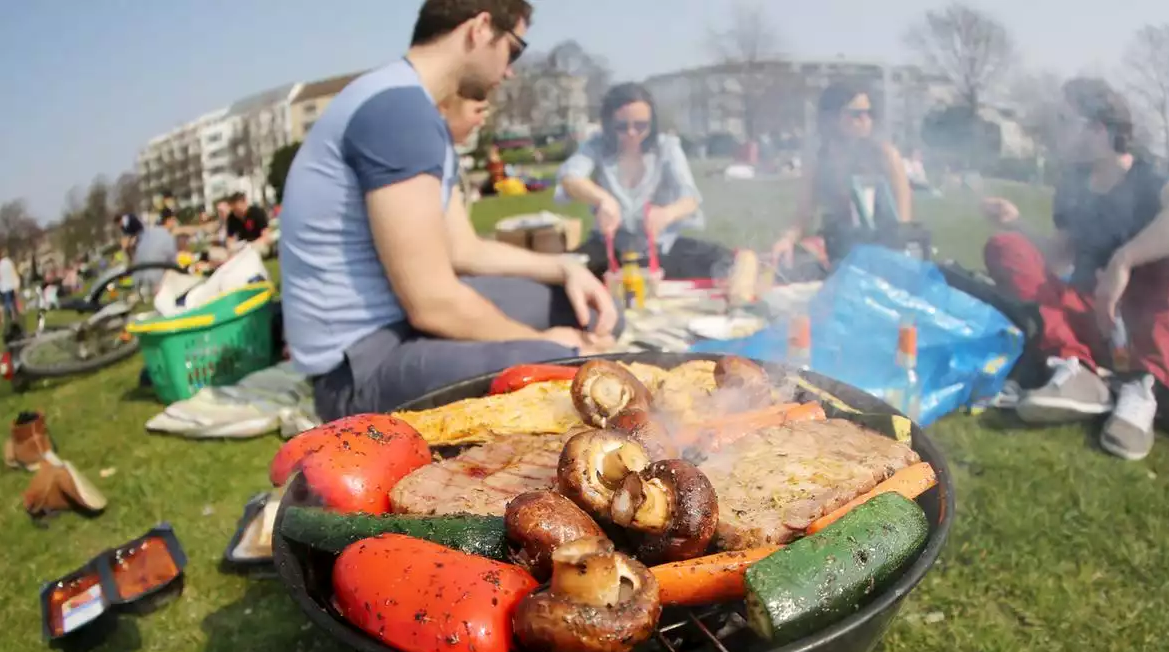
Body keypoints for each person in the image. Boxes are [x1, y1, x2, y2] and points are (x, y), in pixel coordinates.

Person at [280, 0, 621, 423]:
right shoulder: (397, 112)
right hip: (357, 371)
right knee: (578, 364)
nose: (511, 68)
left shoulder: (416, 109)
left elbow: (464, 250)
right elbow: (433, 302)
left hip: (403, 328)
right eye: (514, 48)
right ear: (480, 28)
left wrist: (565, 268)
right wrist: (544, 343)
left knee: (591, 312)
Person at [981, 77, 1169, 461]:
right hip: (1089, 318)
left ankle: (1142, 389)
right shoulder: (1073, 184)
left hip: (1139, 331)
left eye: (1065, 119)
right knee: (1005, 248)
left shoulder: (1146, 179)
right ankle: (1078, 370)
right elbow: (1055, 259)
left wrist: (1124, 261)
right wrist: (1015, 223)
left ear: (1097, 129)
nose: (1057, 129)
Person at [557, 82, 732, 280]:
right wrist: (603, 199)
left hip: (661, 249)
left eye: (641, 126)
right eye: (622, 127)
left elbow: (690, 197)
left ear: (652, 123)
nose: (632, 133)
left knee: (722, 261)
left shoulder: (666, 147)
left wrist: (666, 214)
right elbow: (570, 178)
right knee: (561, 271)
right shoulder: (596, 146)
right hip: (608, 249)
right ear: (608, 124)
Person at [771, 82, 914, 277]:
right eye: (856, 114)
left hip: (883, 248)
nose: (865, 120)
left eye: (869, 113)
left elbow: (903, 222)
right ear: (832, 118)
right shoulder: (818, 159)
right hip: (837, 244)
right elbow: (802, 216)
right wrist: (787, 239)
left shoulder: (886, 156)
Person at [0, 245, 21, 330]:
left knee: (7, 305)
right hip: (6, 287)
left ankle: (9, 321)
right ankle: (11, 320)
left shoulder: (4, 263)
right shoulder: (7, 263)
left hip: (5, 287)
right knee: (8, 304)